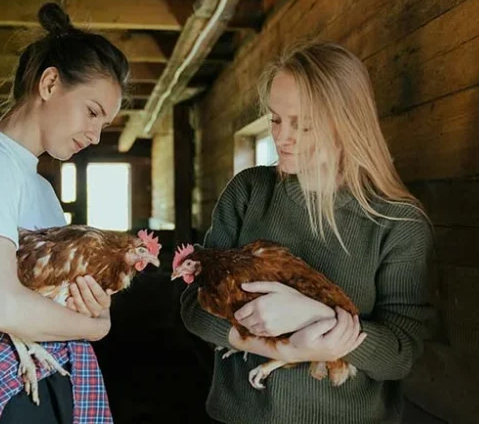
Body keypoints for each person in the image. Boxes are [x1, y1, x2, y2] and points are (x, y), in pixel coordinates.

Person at [180, 41, 434, 424]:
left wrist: (314, 315)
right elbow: (194, 307)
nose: (283, 136)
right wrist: (281, 349)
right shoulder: (248, 192)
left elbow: (401, 352)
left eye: (303, 124)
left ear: (346, 123)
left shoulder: (397, 222)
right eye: (275, 119)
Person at [0, 2, 129, 424]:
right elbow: (0, 307)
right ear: (49, 83)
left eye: (104, 124)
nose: (95, 135)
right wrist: (96, 326)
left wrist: (90, 306)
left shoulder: (39, 187)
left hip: (43, 371)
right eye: (92, 112)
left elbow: (43, 297)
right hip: (4, 377)